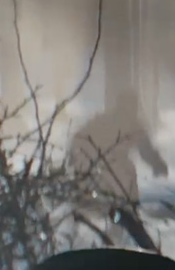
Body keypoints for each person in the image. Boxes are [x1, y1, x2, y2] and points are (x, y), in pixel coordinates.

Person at [68, 90, 168, 249]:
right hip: (104, 169)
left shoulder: (106, 121)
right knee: (125, 205)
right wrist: (158, 164)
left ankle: (106, 237)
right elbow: (145, 150)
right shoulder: (126, 124)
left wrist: (157, 163)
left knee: (103, 204)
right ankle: (140, 244)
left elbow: (78, 139)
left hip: (94, 169)